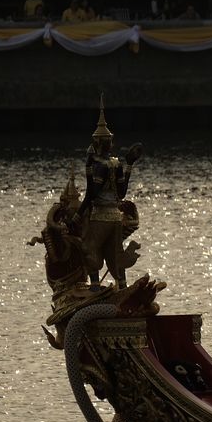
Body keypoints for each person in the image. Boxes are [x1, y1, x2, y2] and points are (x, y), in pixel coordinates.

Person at [78, 100, 142, 288]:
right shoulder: (117, 164)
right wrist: (129, 164)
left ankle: (96, 289)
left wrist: (88, 168)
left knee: (89, 250)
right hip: (116, 217)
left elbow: (92, 193)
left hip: (100, 217)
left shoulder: (100, 165)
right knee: (114, 255)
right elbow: (121, 194)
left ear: (96, 144)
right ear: (110, 143)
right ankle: (122, 287)